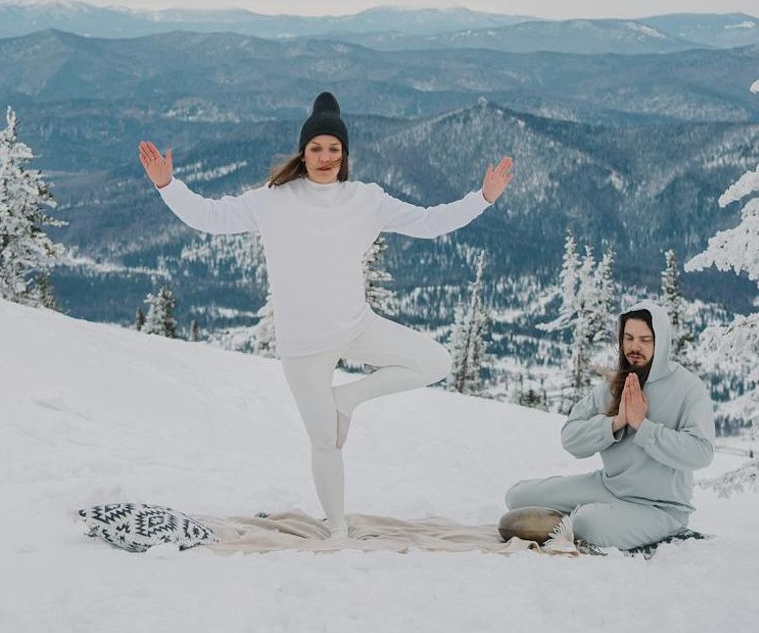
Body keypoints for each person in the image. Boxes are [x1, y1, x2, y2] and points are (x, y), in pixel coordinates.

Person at [140, 90, 514, 539]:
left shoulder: (365, 199)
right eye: (316, 148)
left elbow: (429, 222)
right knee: (325, 442)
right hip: (303, 346)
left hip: (355, 327)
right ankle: (337, 529)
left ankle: (347, 399)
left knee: (436, 361)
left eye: (333, 149)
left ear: (345, 154)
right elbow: (209, 217)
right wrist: (168, 185)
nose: (325, 156)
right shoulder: (274, 199)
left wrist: (484, 198)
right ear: (303, 152)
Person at [502, 299, 715, 549]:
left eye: (645, 340)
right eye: (629, 338)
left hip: (660, 507)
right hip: (608, 486)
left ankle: (609, 519)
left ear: (662, 342)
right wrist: (615, 423)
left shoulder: (688, 388)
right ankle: (602, 514)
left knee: (585, 525)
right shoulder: (613, 386)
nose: (635, 347)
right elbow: (570, 438)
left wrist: (643, 427)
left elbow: (702, 453)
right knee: (517, 497)